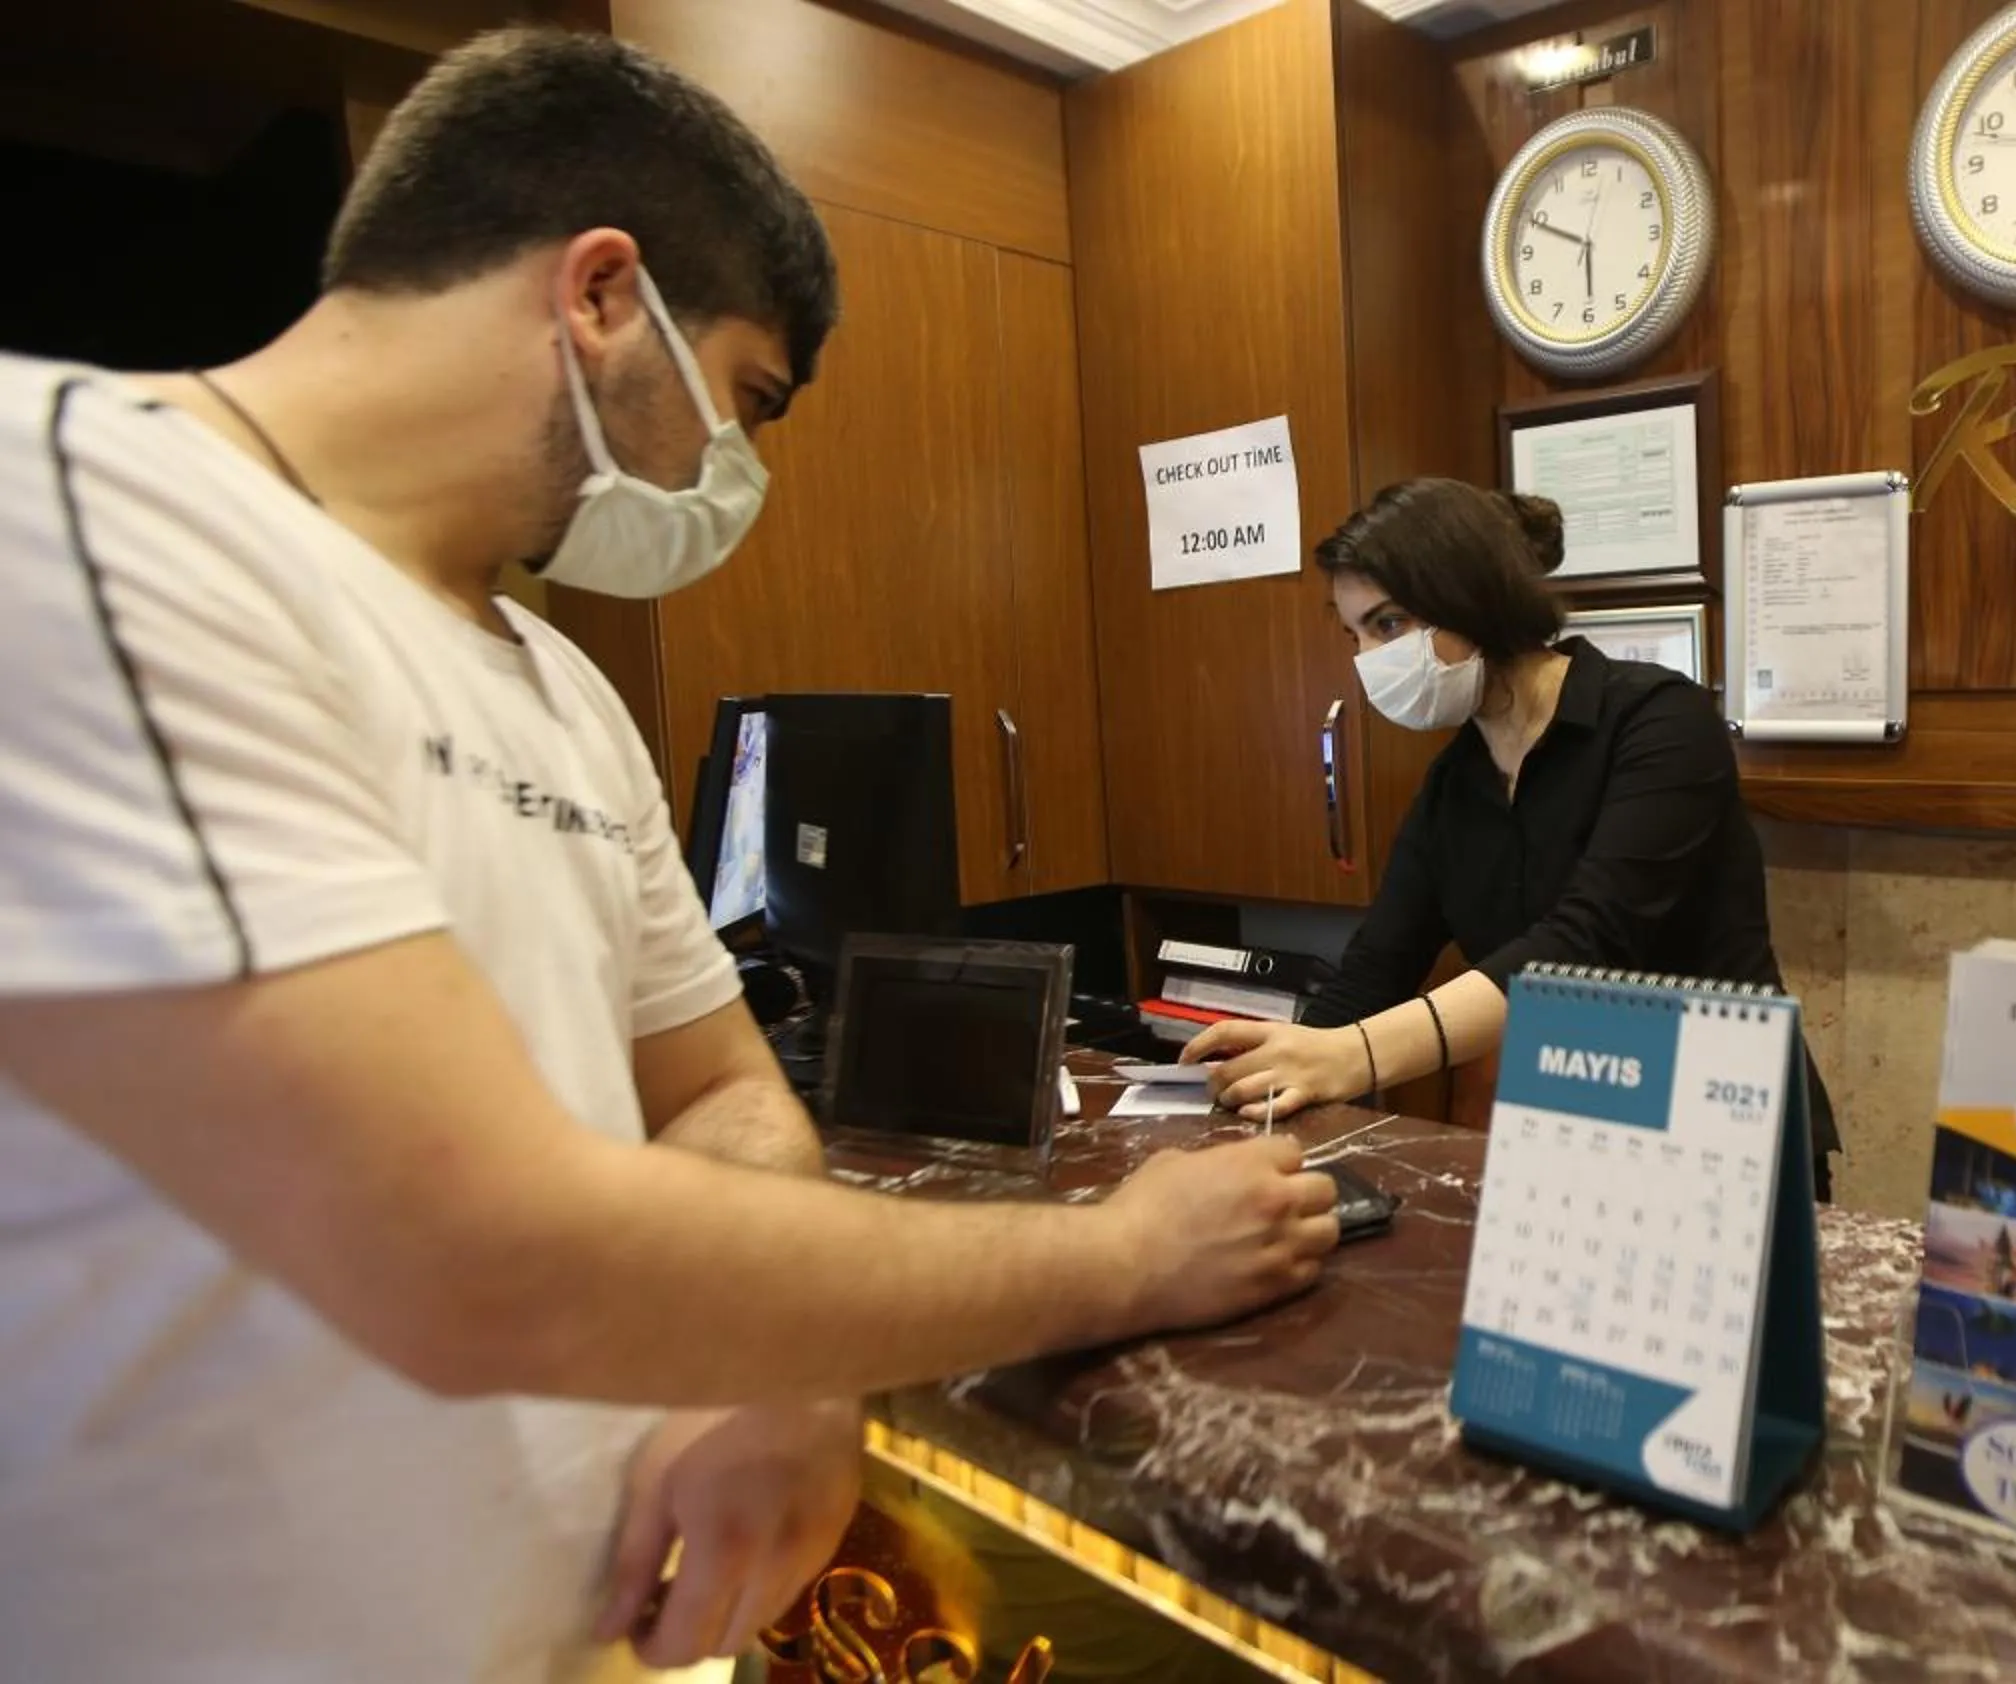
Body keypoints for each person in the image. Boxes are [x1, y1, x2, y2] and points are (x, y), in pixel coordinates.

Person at [0, 30, 1335, 1682]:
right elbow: (474, 1252)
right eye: (748, 402)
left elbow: (717, 1093)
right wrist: (1125, 1255)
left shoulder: (552, 681)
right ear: (603, 295)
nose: (739, 476)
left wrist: (781, 1366)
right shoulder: (77, 513)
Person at [1181, 478, 1840, 1195]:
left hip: (1726, 1133)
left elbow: (1586, 948)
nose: (1369, 659)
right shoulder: (1454, 786)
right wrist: (1277, 1065)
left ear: (1472, 597)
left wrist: (1352, 1055)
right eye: (1356, 635)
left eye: (1389, 624)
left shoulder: (1659, 722)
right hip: (1580, 1133)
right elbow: (1378, 967)